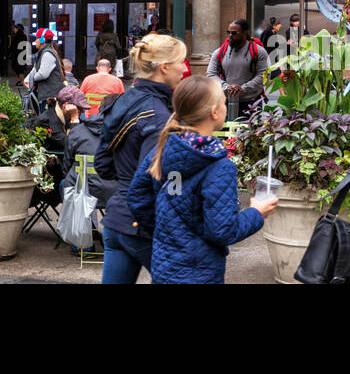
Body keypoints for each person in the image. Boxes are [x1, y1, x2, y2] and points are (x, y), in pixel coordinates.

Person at [126, 75, 278, 284]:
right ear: (214, 112)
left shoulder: (164, 148)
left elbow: (137, 197)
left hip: (165, 268)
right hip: (199, 272)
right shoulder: (218, 165)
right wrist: (257, 213)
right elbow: (223, 230)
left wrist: (167, 230)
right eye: (224, 102)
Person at [95, 33, 188, 284]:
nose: (184, 67)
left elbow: (102, 164)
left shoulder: (125, 99)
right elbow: (153, 179)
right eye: (181, 61)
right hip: (141, 225)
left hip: (116, 221)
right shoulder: (158, 114)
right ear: (164, 67)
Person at [205, 20, 270, 117]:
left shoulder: (259, 52)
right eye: (228, 32)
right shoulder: (219, 52)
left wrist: (243, 89)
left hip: (251, 103)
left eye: (234, 33)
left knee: (248, 131)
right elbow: (210, 74)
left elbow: (264, 75)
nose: (230, 35)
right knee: (226, 131)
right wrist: (227, 86)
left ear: (245, 33)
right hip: (226, 101)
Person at [25, 28, 65, 108]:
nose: (35, 41)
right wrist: (27, 79)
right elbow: (36, 69)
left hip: (50, 96)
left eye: (37, 38)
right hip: (47, 95)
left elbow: (43, 74)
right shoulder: (43, 52)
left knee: (46, 119)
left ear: (42, 40)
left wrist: (31, 79)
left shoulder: (47, 54)